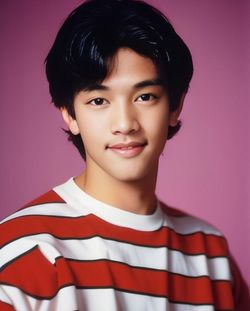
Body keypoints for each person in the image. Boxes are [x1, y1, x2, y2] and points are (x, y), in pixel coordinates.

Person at [0, 0, 249, 310]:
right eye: (98, 101)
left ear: (175, 105)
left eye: (145, 96)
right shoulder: (24, 251)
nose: (124, 124)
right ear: (69, 114)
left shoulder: (212, 255)